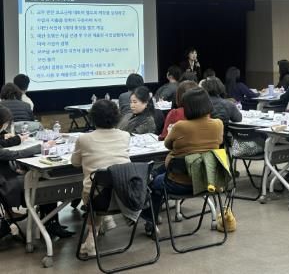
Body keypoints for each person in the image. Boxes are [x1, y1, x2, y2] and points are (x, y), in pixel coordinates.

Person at [142, 88, 223, 236]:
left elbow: (167, 144)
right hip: (207, 181)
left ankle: (150, 221)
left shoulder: (181, 126)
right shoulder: (218, 124)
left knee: (152, 183)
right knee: (162, 171)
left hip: (179, 184)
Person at [0, 105, 72, 239]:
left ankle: (49, 221)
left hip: (6, 176)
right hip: (5, 184)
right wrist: (41, 147)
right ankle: (50, 222)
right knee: (43, 179)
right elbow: (15, 154)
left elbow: (3, 145)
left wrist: (13, 139)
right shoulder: (26, 105)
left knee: (37, 177)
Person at [71, 100, 130, 258]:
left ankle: (92, 240)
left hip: (97, 198)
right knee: (104, 186)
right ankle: (100, 229)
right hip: (124, 194)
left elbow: (75, 163)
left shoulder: (84, 139)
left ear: (92, 118)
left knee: (95, 191)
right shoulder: (125, 136)